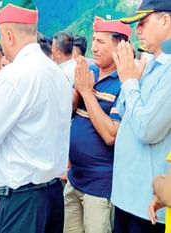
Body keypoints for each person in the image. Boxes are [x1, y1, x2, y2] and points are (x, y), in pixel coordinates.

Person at [0, 0, 72, 232]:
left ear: (8, 35)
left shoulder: (13, 76)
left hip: (21, 201)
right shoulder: (57, 74)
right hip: (53, 195)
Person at [64, 16, 131, 233]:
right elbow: (67, 114)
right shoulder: (90, 72)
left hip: (100, 187)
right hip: (75, 178)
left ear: (119, 45)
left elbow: (111, 135)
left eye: (101, 42)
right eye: (93, 40)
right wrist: (77, 89)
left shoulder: (124, 83)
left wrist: (86, 92)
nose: (93, 47)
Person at [110, 0, 171, 232]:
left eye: (143, 23)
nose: (138, 31)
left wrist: (130, 82)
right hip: (127, 196)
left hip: (148, 206)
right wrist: (131, 82)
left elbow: (147, 129)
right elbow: (126, 112)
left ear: (165, 20)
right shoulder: (152, 62)